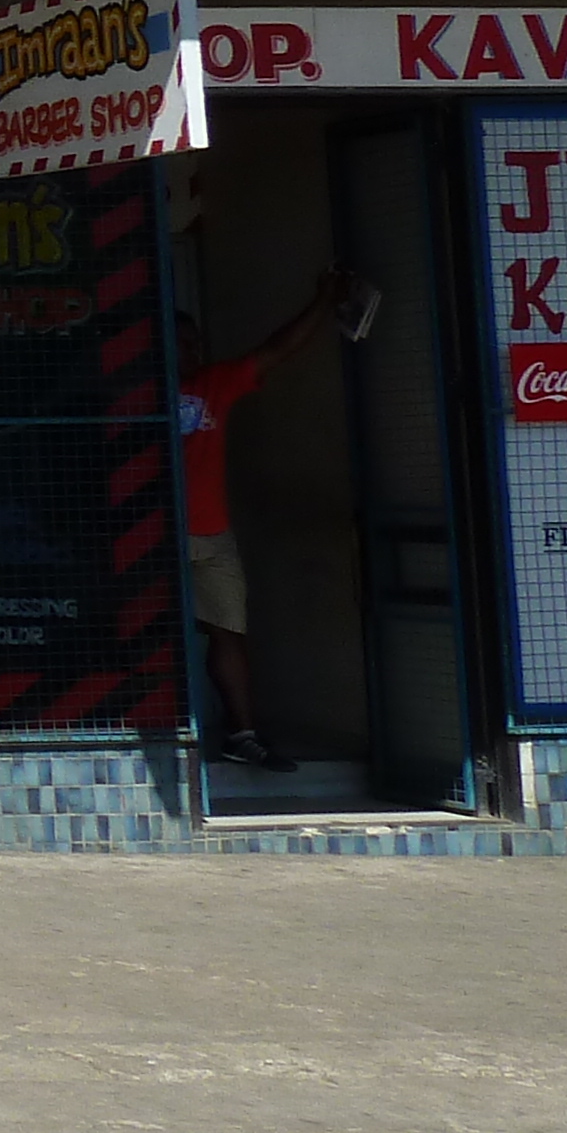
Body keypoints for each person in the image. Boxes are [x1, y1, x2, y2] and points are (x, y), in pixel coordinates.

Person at [175, 275, 347, 773]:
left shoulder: (215, 383)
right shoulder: (131, 394)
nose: (190, 351)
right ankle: (161, 734)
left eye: (194, 343)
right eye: (180, 343)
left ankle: (241, 735)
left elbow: (276, 350)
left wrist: (321, 302)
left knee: (230, 632)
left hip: (213, 534)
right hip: (154, 537)